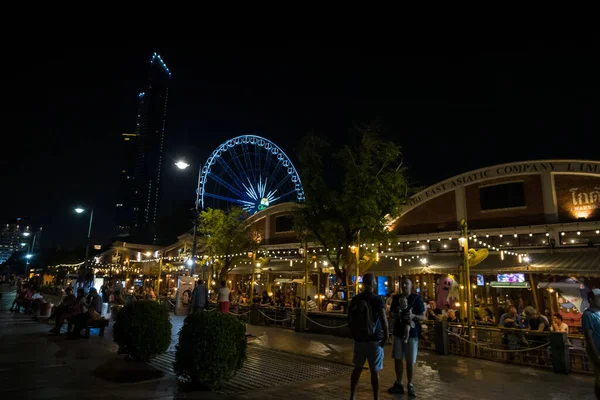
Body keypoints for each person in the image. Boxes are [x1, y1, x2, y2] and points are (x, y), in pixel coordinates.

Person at [348, 273, 389, 400]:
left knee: (357, 369)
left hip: (359, 339)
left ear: (364, 283)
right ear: (373, 283)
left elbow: (349, 319)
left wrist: (354, 334)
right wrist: (386, 336)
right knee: (374, 371)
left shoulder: (356, 299)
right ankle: (375, 397)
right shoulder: (378, 299)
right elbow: (383, 319)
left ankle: (352, 395)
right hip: (374, 340)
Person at [388, 277, 425, 397]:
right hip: (398, 332)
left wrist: (413, 316)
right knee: (397, 358)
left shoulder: (417, 299)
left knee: (410, 360)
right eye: (402, 283)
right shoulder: (396, 298)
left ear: (411, 285)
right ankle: (399, 382)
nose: (404, 286)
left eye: (406, 283)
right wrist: (396, 314)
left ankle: (410, 383)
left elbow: (423, 316)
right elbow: (391, 314)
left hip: (412, 333)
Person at [583, 288, 600, 399]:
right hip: (596, 351)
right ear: (591, 299)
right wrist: (596, 356)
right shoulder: (588, 314)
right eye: (598, 298)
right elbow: (588, 337)